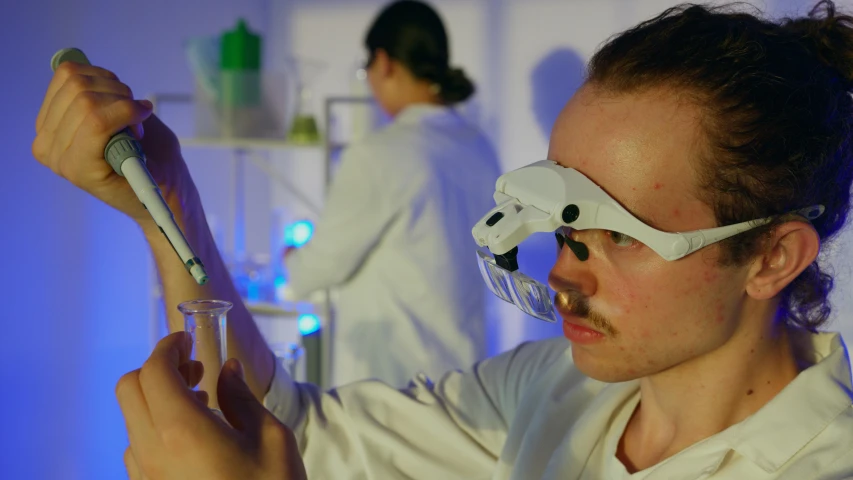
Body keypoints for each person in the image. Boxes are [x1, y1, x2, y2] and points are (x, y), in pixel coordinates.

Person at [33, 1, 853, 479]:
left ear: (771, 258)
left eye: (613, 237)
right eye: (557, 220)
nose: (562, 274)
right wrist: (161, 202)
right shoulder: (553, 386)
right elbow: (303, 435)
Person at [281, 0, 501, 386]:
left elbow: (321, 266)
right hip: (465, 380)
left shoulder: (379, 153)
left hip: (390, 385)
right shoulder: (478, 145)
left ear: (383, 63)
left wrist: (293, 260)